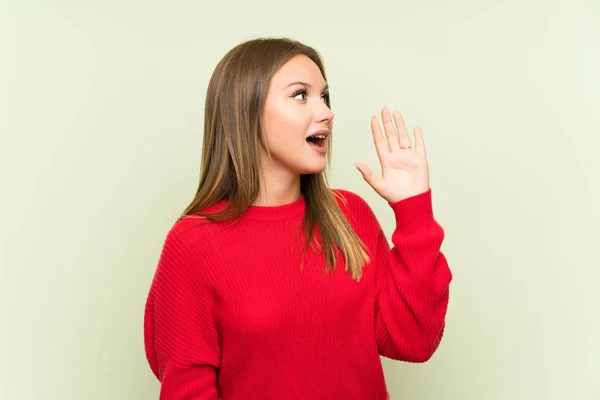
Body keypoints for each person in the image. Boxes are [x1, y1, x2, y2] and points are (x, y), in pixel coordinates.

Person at [143, 37, 452, 400]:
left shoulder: (349, 215)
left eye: (325, 97)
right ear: (246, 110)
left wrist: (413, 209)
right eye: (300, 95)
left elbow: (414, 341)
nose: (326, 112)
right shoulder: (194, 243)